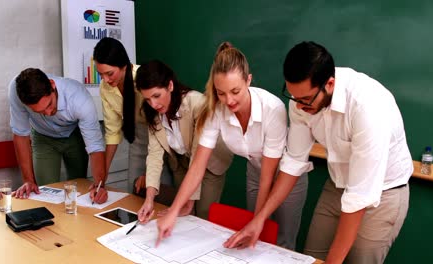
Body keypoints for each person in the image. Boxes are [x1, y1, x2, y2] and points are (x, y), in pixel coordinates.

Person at [224, 41, 412, 264]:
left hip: (383, 191)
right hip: (338, 183)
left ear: (329, 84)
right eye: (293, 97)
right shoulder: (301, 100)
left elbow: (359, 196)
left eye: (305, 100)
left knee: (356, 260)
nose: (299, 106)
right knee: (312, 257)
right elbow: (293, 161)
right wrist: (259, 219)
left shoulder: (367, 108)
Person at [156, 42, 308, 249]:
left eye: (235, 91)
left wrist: (258, 220)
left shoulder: (272, 108)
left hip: (287, 177)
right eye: (221, 93)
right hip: (255, 172)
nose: (229, 100)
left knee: (281, 239)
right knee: (256, 238)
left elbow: (268, 176)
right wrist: (174, 210)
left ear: (248, 80)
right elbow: (197, 167)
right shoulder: (215, 110)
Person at [135, 60, 233, 222]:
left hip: (210, 161)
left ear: (170, 86)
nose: (153, 104)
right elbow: (154, 156)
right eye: (147, 99)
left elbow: (198, 155)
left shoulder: (196, 104)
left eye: (157, 96)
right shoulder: (152, 113)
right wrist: (149, 199)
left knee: (203, 214)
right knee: (182, 214)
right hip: (181, 162)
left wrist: (190, 200)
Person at [10, 68, 108, 203]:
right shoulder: (16, 92)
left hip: (74, 135)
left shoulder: (79, 98)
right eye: (39, 111)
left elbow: (95, 146)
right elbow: (21, 135)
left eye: (49, 104)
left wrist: (99, 185)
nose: (49, 113)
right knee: (44, 193)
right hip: (42, 137)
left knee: (78, 189)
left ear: (52, 85)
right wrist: (28, 180)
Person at [93, 37, 172, 194]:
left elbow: (163, 126)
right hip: (137, 142)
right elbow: (112, 133)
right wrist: (103, 175)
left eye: (109, 73)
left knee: (161, 194)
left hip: (163, 142)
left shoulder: (144, 78)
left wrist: (149, 173)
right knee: (133, 193)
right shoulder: (105, 89)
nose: (105, 80)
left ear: (124, 65)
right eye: (100, 74)